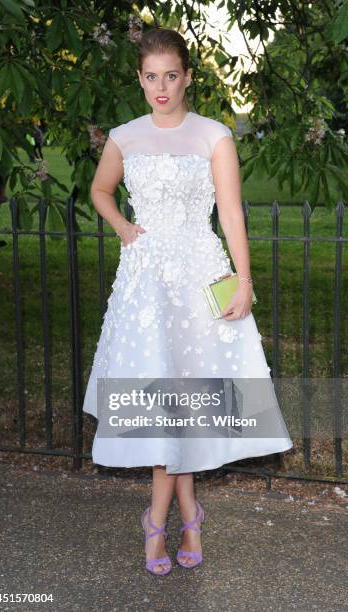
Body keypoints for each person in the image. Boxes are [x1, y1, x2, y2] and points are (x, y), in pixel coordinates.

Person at [82, 27, 293, 576]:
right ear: (140, 78)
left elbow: (232, 215)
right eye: (150, 76)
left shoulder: (214, 135)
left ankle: (163, 518)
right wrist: (126, 229)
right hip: (146, 284)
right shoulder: (125, 136)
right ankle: (185, 515)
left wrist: (243, 280)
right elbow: (100, 191)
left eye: (170, 76)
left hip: (201, 275)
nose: (160, 87)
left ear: (187, 78)